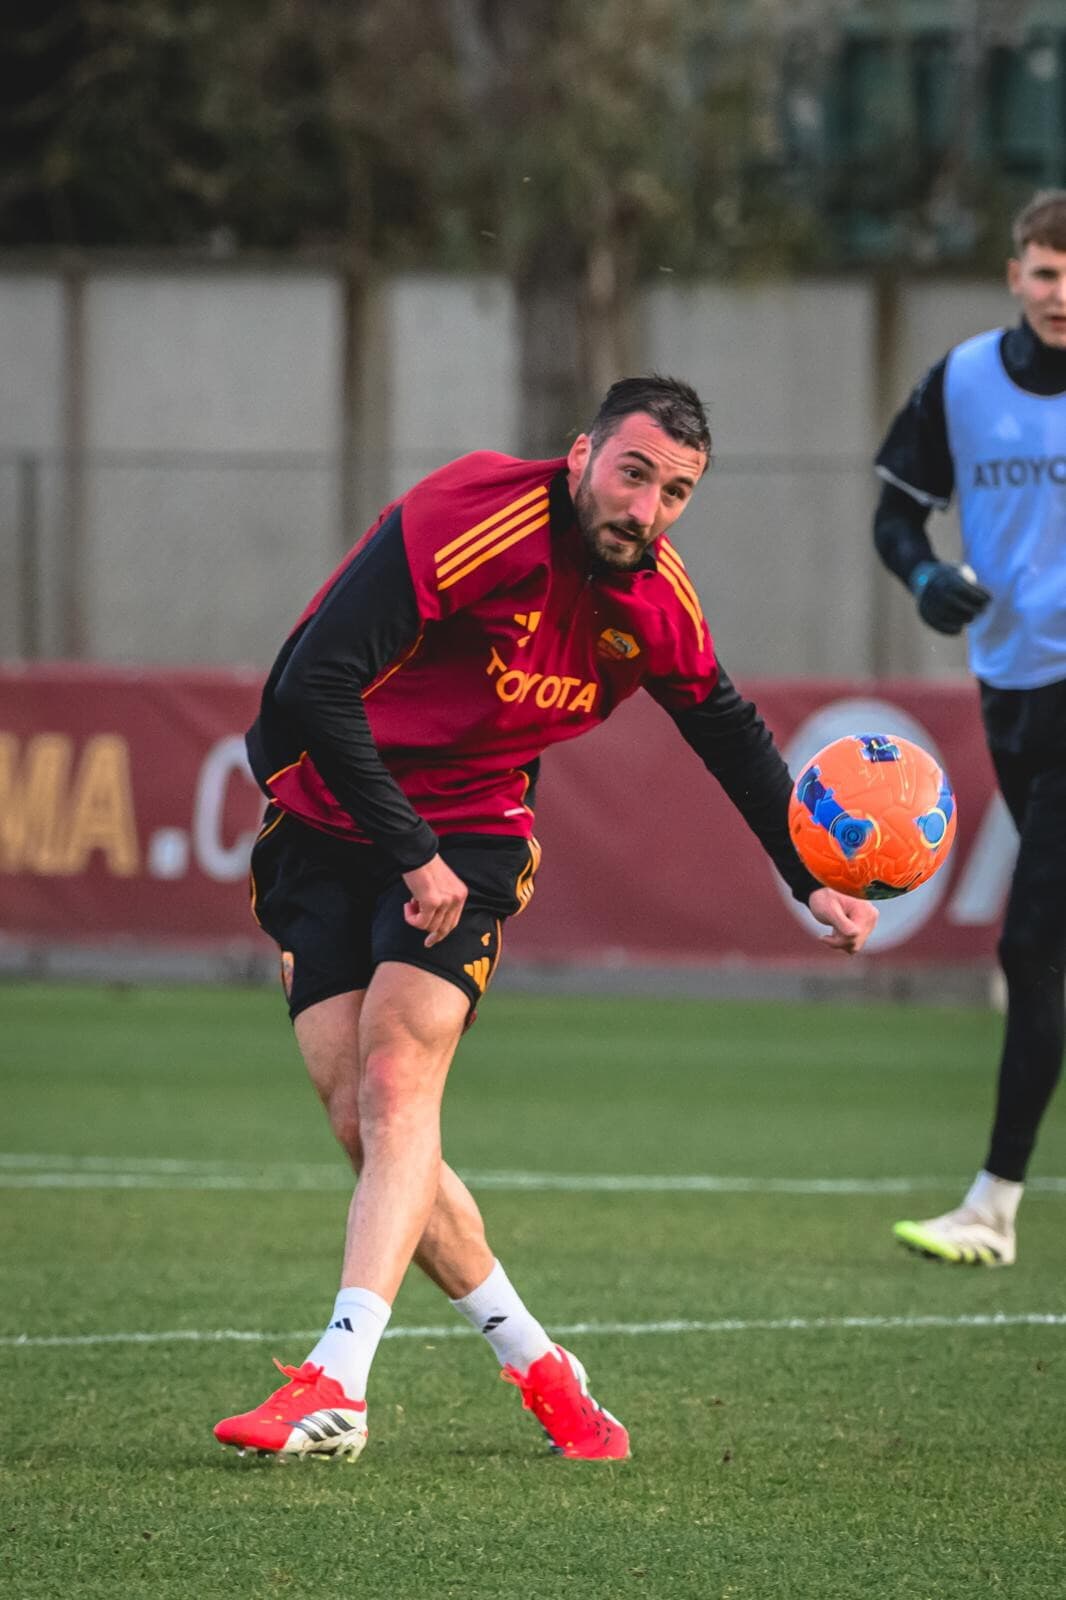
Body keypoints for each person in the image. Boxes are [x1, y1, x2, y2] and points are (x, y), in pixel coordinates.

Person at [214, 374, 877, 1465]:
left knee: (395, 1084)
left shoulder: (656, 600)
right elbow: (314, 686)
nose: (646, 509)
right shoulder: (470, 516)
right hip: (325, 815)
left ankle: (337, 1381)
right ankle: (539, 1364)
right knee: (365, 1126)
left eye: (674, 493)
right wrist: (407, 850)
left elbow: (724, 725)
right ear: (580, 456)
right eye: (632, 473)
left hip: (474, 827)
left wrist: (808, 874)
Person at [874, 191, 1066, 1267]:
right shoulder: (962, 382)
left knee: (1031, 941)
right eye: (1046, 270)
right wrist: (923, 578)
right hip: (1010, 688)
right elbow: (895, 513)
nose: (1061, 292)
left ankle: (993, 1205)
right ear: (1014, 275)